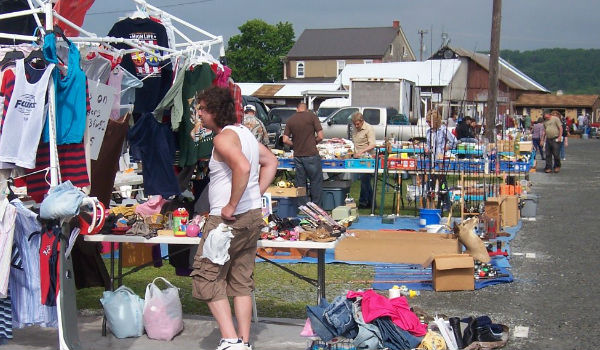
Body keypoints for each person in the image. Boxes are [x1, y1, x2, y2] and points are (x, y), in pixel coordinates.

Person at [191, 87, 277, 350]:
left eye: (203, 109)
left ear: (215, 111)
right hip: (251, 216)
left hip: (228, 221)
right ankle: (244, 341)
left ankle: (230, 340)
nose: (200, 115)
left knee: (206, 276)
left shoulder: (223, 139)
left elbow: (242, 166)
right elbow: (271, 161)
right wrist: (255, 193)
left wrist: (231, 204)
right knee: (240, 279)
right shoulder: (245, 134)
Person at [282, 102, 324, 206]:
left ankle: (303, 207)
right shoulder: (312, 117)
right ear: (307, 110)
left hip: (298, 155)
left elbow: (285, 139)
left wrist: (295, 144)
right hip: (311, 154)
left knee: (301, 183)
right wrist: (314, 142)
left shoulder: (291, 120)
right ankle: (316, 206)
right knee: (315, 181)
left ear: (297, 109)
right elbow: (321, 136)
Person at [351, 112, 376, 209]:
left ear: (362, 121)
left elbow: (372, 144)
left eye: (358, 124)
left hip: (368, 158)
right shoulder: (354, 129)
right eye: (354, 124)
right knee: (365, 180)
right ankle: (371, 202)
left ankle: (363, 202)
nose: (356, 126)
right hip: (358, 158)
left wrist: (361, 152)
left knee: (365, 179)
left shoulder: (369, 129)